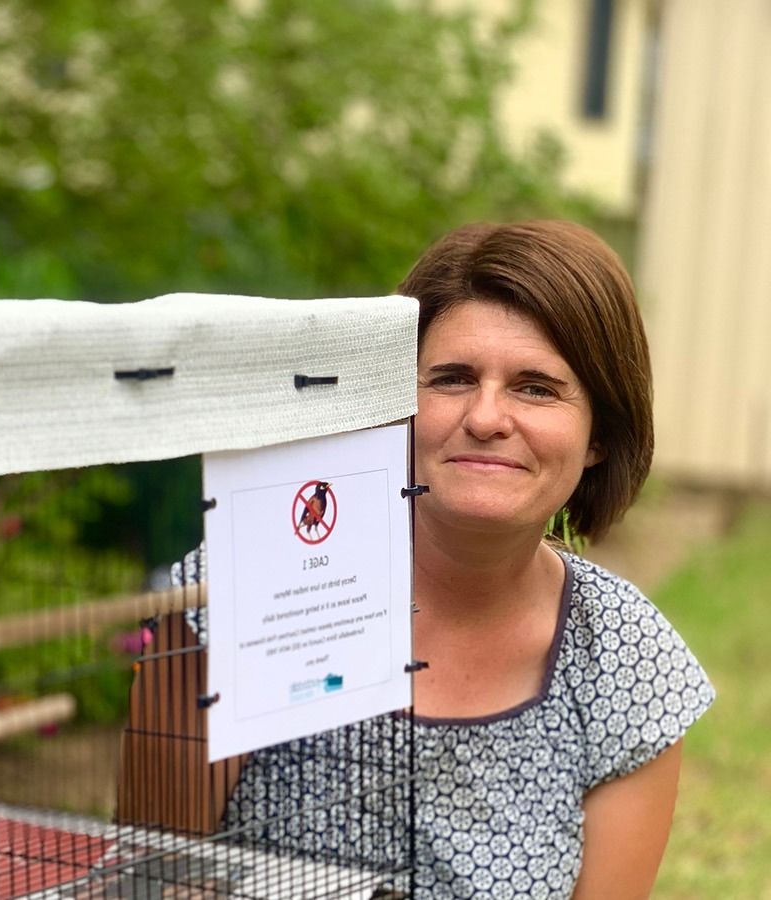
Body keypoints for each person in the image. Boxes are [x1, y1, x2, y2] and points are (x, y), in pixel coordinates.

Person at [175, 220, 714, 898]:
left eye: (536, 387)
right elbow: (151, 872)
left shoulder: (627, 660)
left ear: (600, 435)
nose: (487, 417)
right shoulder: (254, 579)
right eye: (453, 379)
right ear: (396, 402)